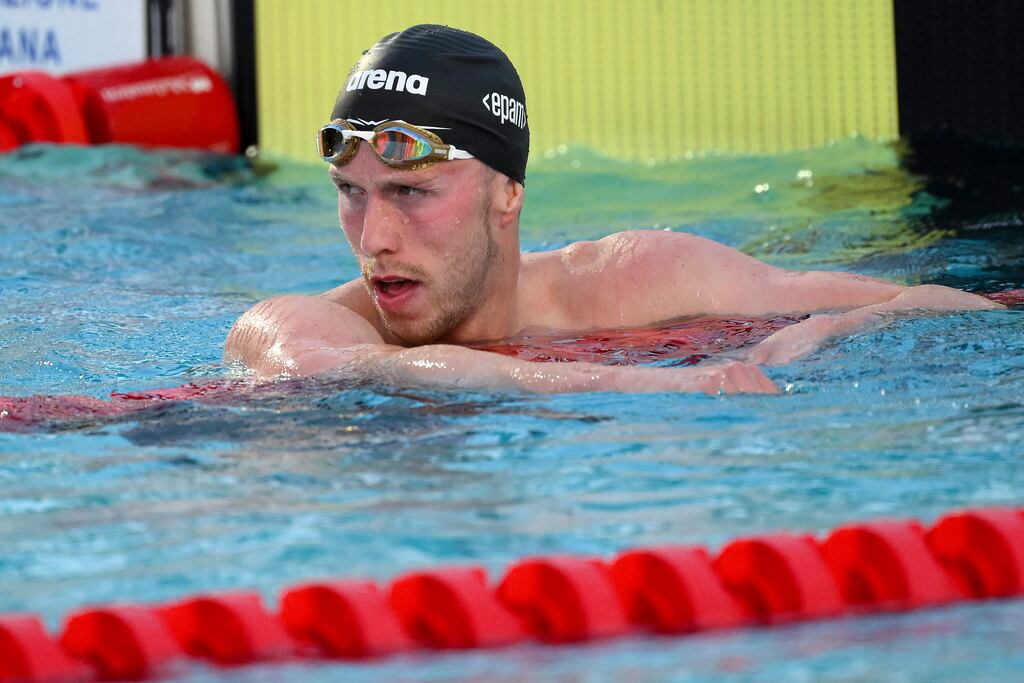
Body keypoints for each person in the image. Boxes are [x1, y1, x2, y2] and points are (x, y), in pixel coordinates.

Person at [225, 24, 1001, 395]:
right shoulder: (294, 326)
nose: (374, 239)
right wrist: (692, 387)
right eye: (350, 194)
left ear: (508, 193)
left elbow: (929, 302)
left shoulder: (639, 279)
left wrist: (829, 328)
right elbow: (391, 375)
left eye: (411, 192)